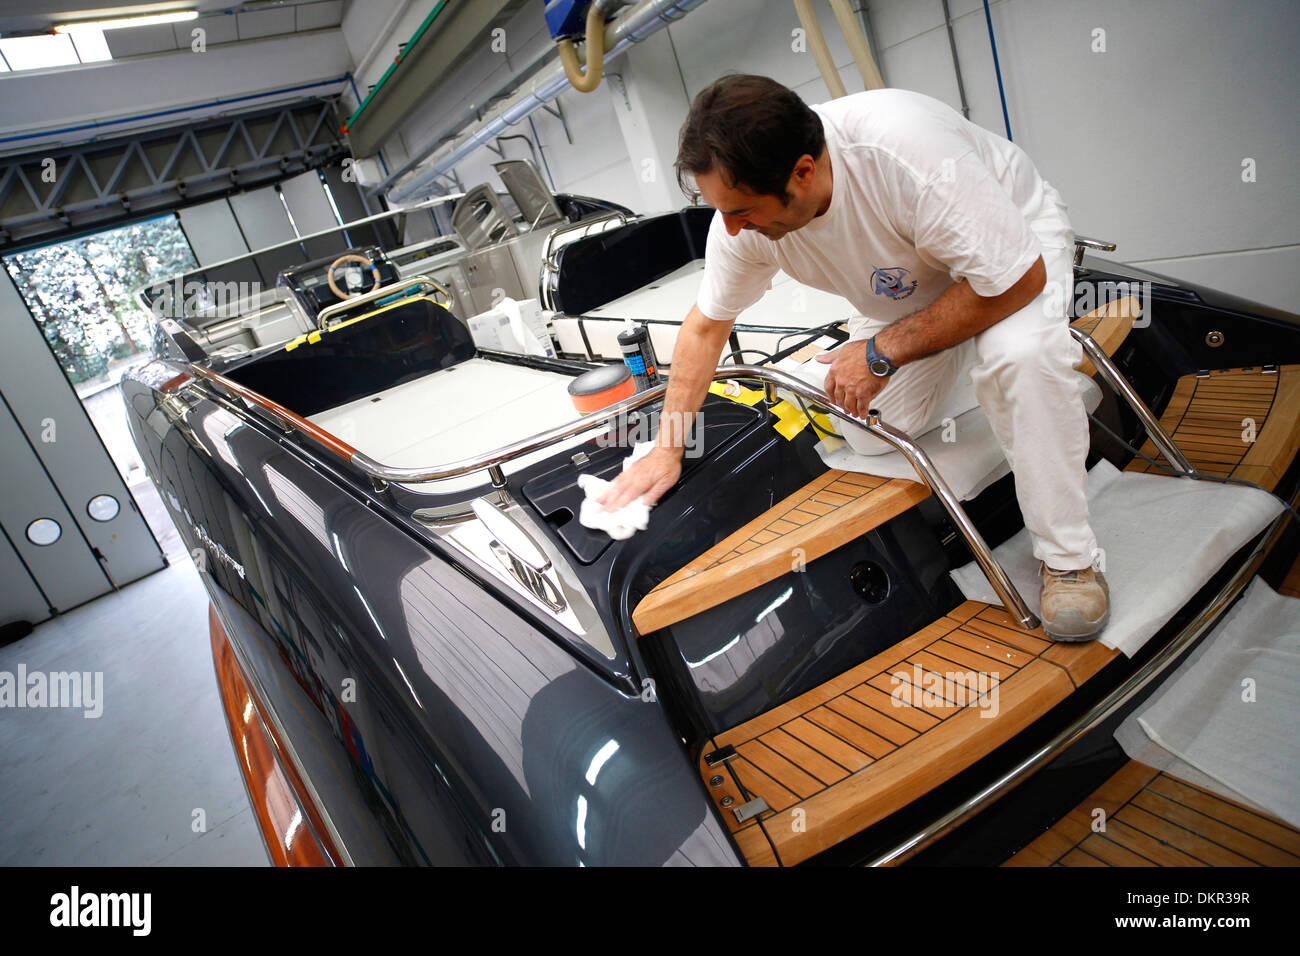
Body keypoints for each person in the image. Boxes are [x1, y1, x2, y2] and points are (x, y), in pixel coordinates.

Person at [596, 74, 1108, 641]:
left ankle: (1069, 558)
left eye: (743, 210)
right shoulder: (739, 223)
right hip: (915, 286)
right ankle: (981, 366)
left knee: (1019, 355)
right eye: (723, 211)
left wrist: (884, 351)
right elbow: (704, 328)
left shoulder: (905, 152)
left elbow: (1016, 279)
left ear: (803, 172)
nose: (733, 228)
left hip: (1010, 246)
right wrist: (668, 446)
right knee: (868, 431)